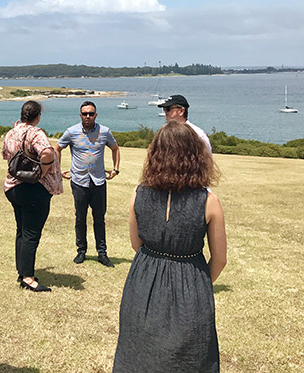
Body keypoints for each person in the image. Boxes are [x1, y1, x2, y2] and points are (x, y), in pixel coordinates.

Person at [113, 120, 227, 372]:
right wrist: (196, 281)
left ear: (155, 154)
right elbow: (219, 259)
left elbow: (136, 243)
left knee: (139, 352)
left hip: (143, 280)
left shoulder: (138, 194)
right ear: (196, 156)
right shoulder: (209, 201)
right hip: (191, 281)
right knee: (192, 357)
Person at [1, 100, 62, 292]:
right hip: (33, 188)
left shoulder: (12, 132)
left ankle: (22, 270)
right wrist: (43, 171)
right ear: (37, 116)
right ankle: (27, 277)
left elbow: (5, 155)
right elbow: (46, 152)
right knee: (31, 234)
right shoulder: (36, 133)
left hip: (13, 186)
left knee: (22, 230)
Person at [55, 101, 121, 267]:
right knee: (80, 218)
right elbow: (57, 148)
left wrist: (116, 169)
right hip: (79, 182)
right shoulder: (71, 132)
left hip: (98, 181)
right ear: (80, 115)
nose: (88, 117)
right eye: (85, 114)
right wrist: (58, 170)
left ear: (96, 115)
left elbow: (115, 148)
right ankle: (81, 251)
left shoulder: (104, 132)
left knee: (99, 219)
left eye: (91, 114)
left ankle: (102, 253)